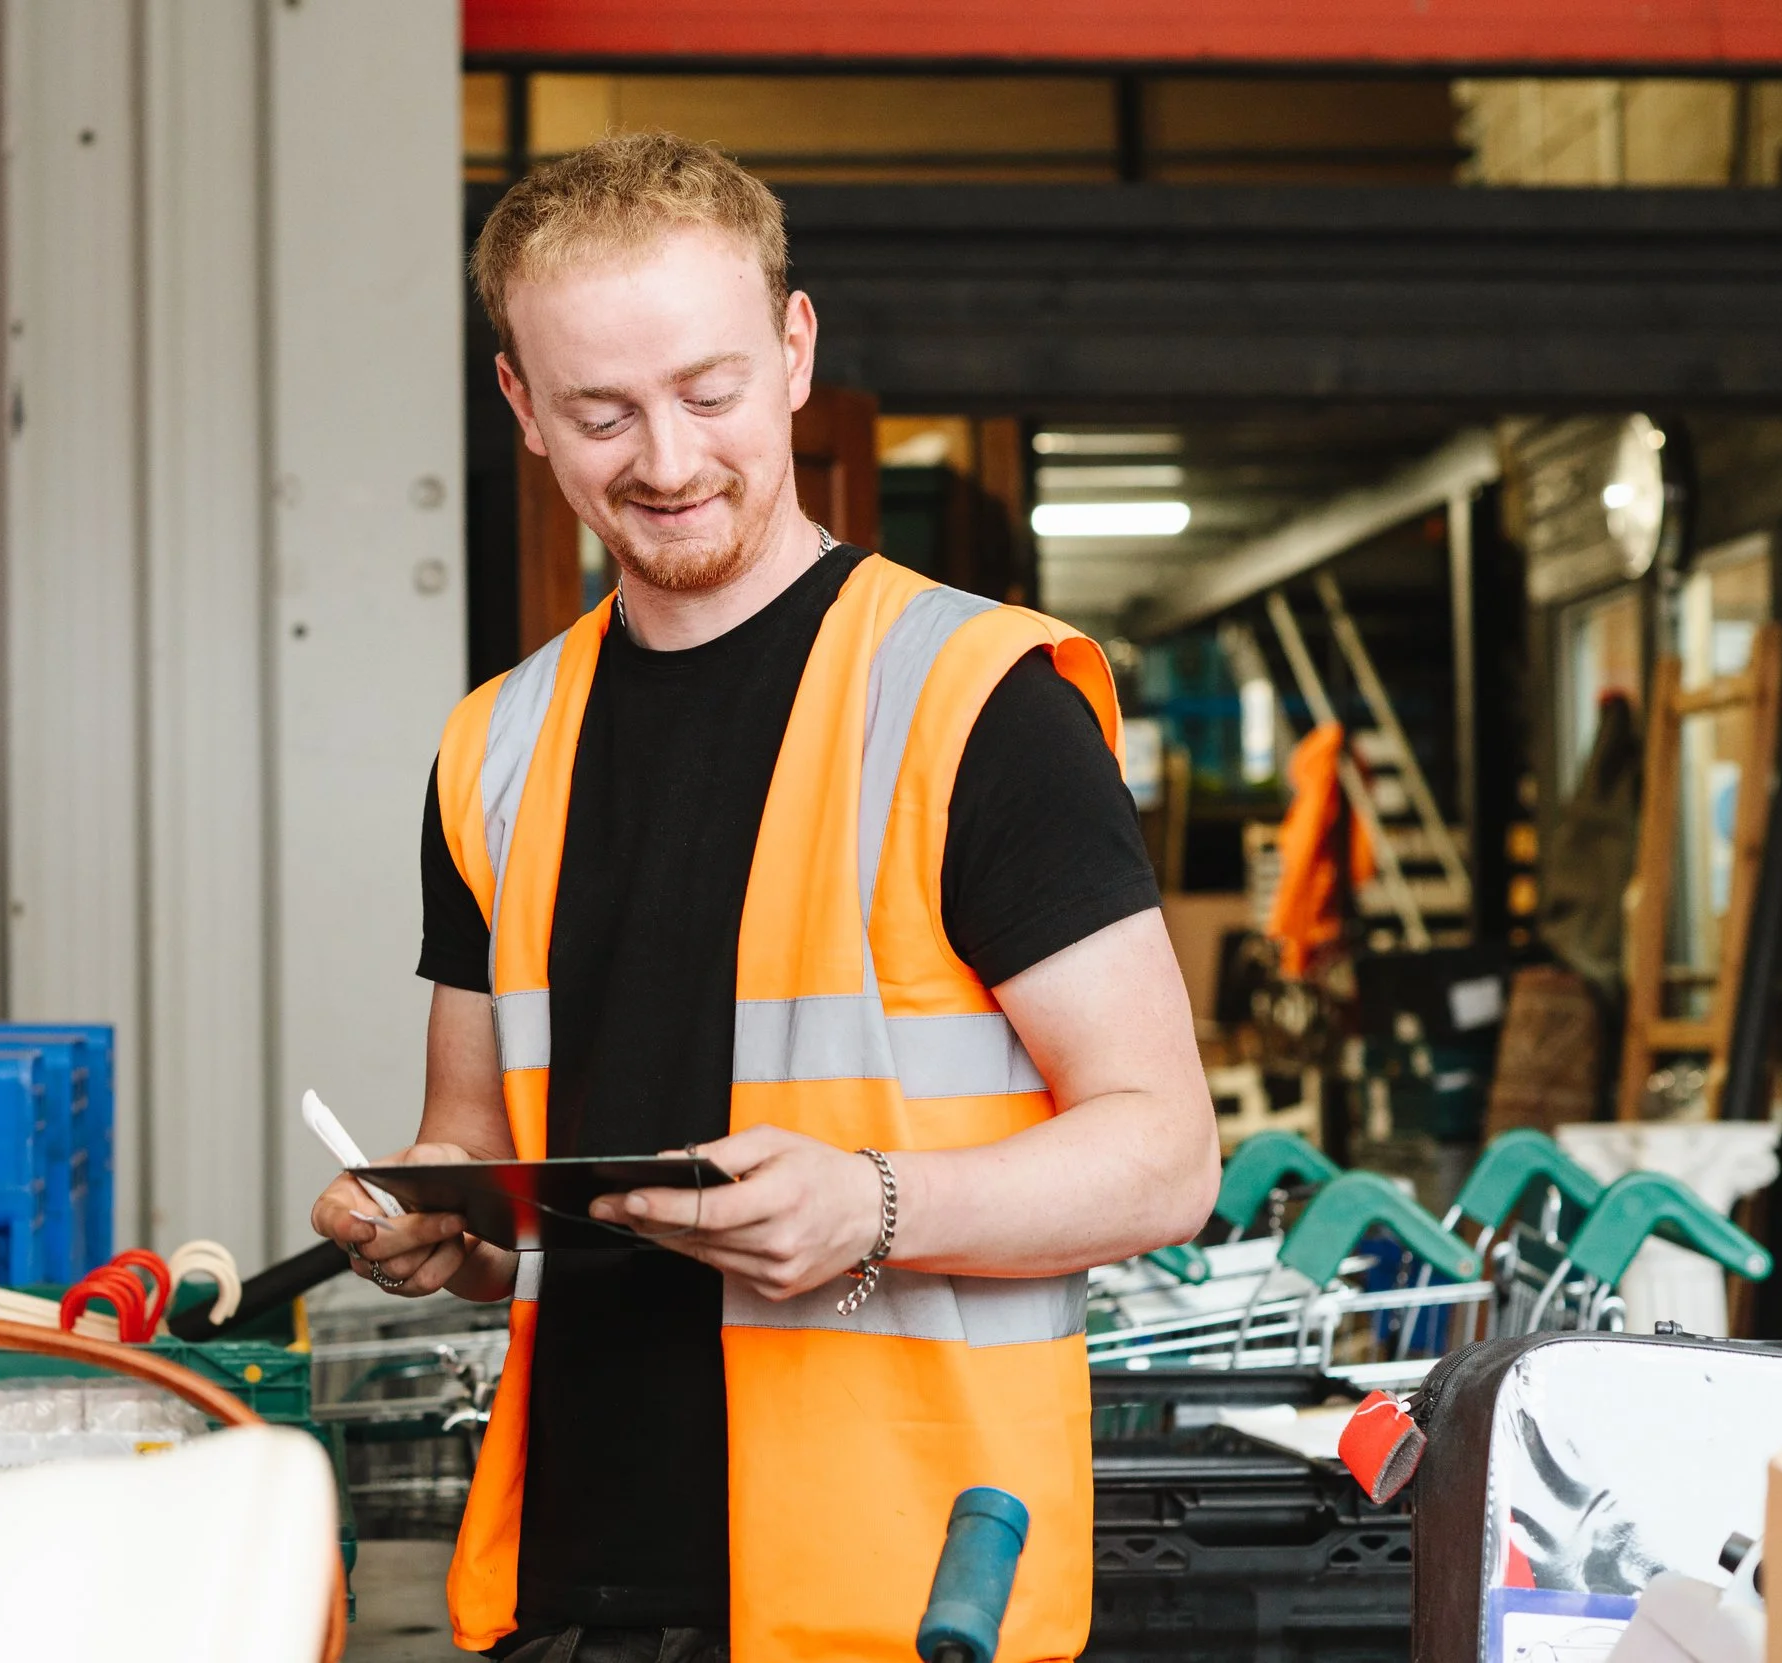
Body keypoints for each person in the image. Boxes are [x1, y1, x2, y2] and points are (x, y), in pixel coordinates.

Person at [310, 131, 1219, 1663]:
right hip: (575, 1590)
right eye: (601, 412)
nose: (664, 462)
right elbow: (478, 1158)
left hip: (902, 1593)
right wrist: (427, 1216)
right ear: (522, 406)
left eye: (708, 392)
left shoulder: (971, 701)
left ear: (796, 352)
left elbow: (1165, 1153)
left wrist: (877, 1206)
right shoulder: (495, 750)